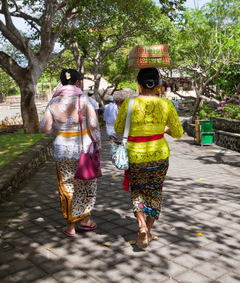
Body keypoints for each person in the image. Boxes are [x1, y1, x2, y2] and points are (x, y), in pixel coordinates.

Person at [114, 68, 183, 249]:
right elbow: (178, 133)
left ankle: (142, 226)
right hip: (159, 156)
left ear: (139, 83)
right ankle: (148, 231)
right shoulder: (166, 104)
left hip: (135, 156)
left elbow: (118, 128)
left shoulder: (129, 103)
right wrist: (164, 129)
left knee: (138, 190)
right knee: (155, 192)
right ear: (158, 84)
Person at [40, 69, 101, 237]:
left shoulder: (53, 102)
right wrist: (98, 144)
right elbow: (94, 126)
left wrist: (58, 127)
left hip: (63, 150)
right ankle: (85, 220)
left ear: (61, 82)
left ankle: (70, 226)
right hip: (84, 149)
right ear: (77, 82)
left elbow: (44, 127)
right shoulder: (84, 100)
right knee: (86, 184)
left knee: (66, 186)